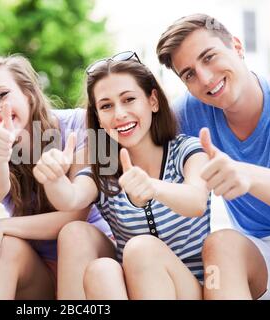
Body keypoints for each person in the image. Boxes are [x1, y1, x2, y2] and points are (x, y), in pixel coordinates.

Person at [34, 51, 211, 299]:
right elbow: (70, 199)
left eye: (128, 99)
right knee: (87, 248)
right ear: (98, 117)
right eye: (106, 106)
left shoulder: (186, 150)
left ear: (153, 101)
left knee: (141, 248)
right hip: (132, 286)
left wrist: (152, 187)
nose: (119, 114)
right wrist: (54, 179)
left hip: (190, 286)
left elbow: (196, 201)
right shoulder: (103, 166)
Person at [0, 55, 112, 299]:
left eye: (2, 95)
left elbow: (76, 212)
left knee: (74, 233)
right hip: (41, 270)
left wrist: (2, 226)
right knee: (3, 247)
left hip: (94, 256)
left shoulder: (78, 124)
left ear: (27, 93)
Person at [156, 13, 270, 299]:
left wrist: (246, 175)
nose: (205, 78)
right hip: (269, 256)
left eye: (209, 57)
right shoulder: (193, 112)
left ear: (237, 47)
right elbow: (138, 127)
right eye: (189, 74)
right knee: (221, 244)